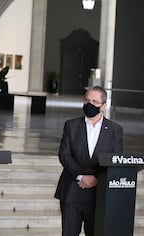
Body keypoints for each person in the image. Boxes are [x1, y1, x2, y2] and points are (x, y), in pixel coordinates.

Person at [54, 86, 123, 236]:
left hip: (99, 194)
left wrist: (97, 179)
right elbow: (64, 155)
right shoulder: (71, 125)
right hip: (72, 191)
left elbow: (116, 160)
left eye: (94, 101)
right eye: (86, 100)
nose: (89, 104)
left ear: (103, 106)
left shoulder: (115, 130)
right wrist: (82, 176)